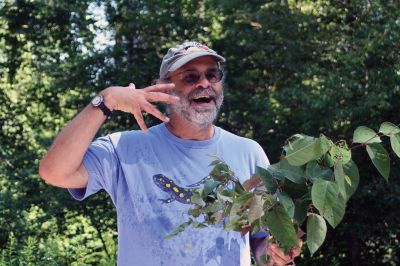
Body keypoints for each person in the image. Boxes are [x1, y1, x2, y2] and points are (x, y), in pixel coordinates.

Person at [39, 41, 299, 266]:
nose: (205, 83)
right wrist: (106, 100)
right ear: (164, 88)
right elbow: (54, 172)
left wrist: (276, 256)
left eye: (213, 74)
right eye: (190, 77)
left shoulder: (249, 153)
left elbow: (260, 241)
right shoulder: (124, 149)